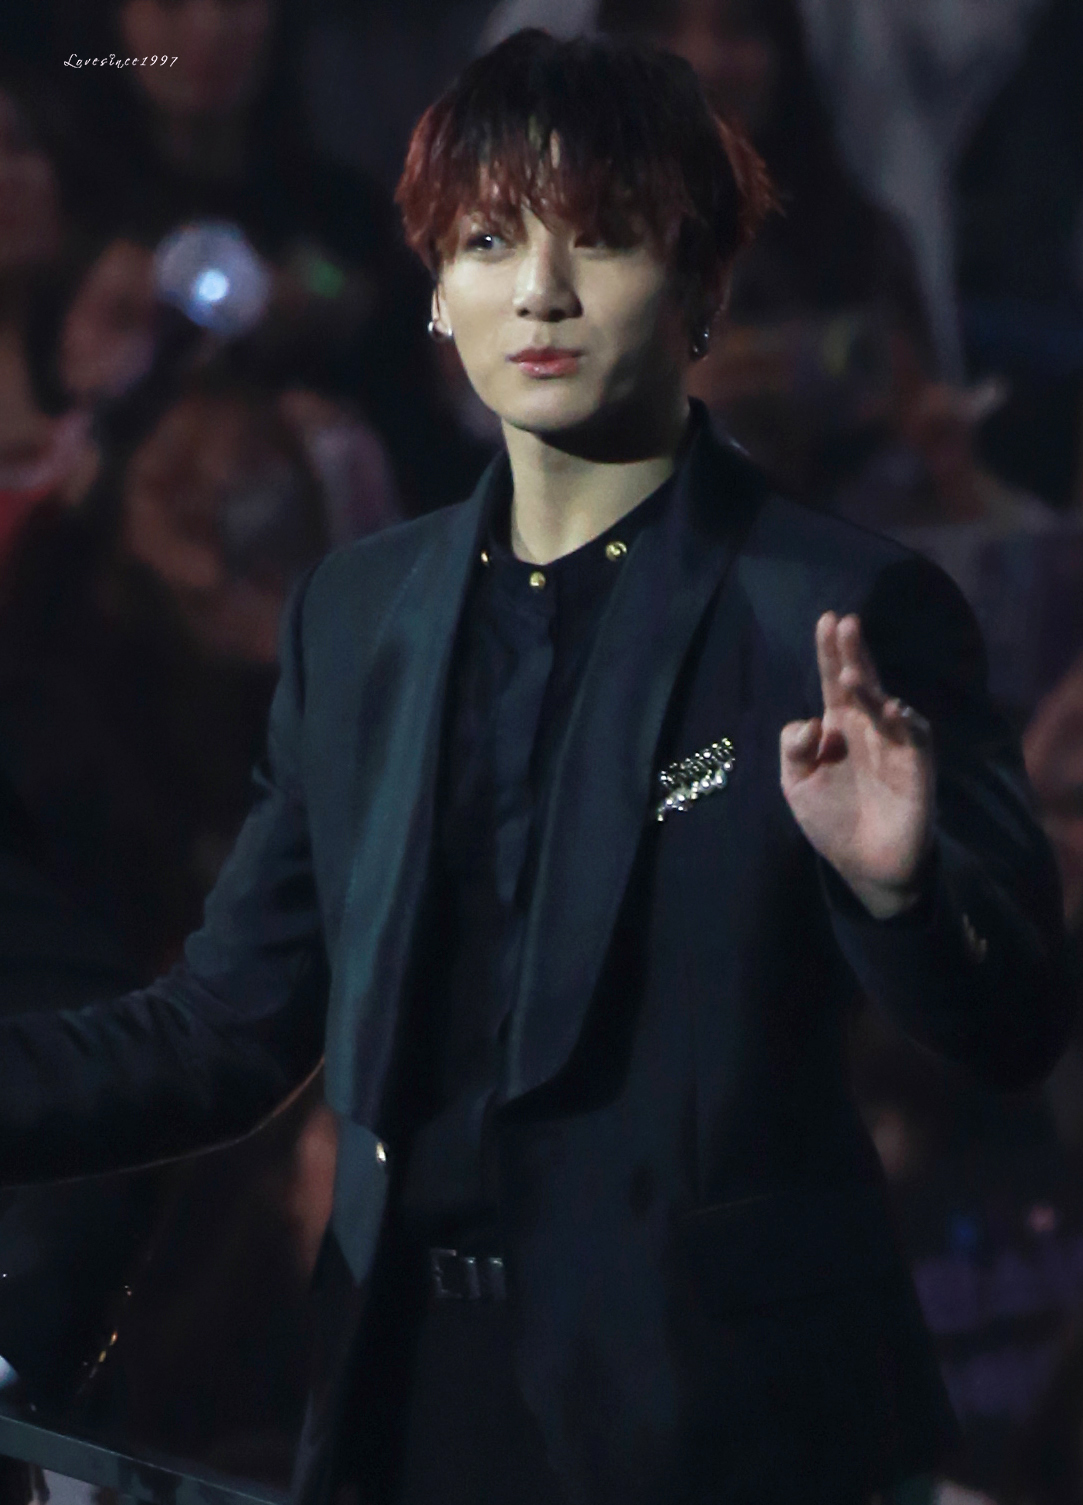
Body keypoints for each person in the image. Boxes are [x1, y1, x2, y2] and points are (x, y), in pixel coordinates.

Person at [0, 28, 1071, 1505]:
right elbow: (228, 1029)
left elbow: (1017, 1024)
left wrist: (901, 892)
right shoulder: (358, 616)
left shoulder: (835, 612)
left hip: (722, 1429)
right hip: (407, 1401)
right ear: (438, 289)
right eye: (491, 240)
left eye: (604, 238)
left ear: (700, 285)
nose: (542, 291)